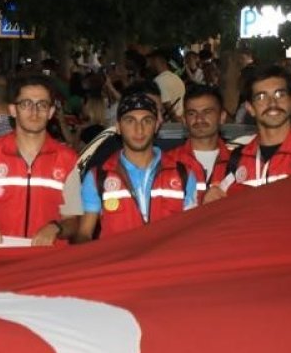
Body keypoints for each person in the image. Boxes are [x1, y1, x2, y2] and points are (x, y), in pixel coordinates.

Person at [0, 75, 82, 246]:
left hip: (48, 261)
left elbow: (72, 221)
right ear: (13, 110)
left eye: (42, 105)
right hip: (1, 256)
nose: (34, 112)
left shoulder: (67, 158)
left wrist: (55, 228)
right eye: (26, 104)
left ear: (51, 112)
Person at [75, 94, 199, 243]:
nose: (139, 129)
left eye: (146, 121)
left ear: (156, 126)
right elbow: (84, 234)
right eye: (130, 121)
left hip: (169, 263)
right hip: (119, 264)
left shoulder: (183, 174)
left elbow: (193, 231)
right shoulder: (97, 177)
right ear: (118, 127)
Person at [205, 65, 291, 202]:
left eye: (280, 94)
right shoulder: (233, 159)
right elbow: (216, 209)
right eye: (261, 97)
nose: (272, 103)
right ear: (250, 108)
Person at [167, 85, 233, 196]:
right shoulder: (168, 162)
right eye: (192, 113)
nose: (199, 119)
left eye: (207, 112)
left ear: (222, 117)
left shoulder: (238, 162)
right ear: (184, 119)